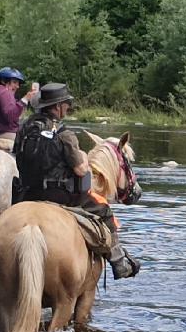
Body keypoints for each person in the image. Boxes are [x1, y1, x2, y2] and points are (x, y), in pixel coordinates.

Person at [13, 82, 141, 280]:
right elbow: (81, 171)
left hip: (26, 194)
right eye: (66, 104)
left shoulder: (24, 129)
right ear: (57, 107)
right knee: (104, 211)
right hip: (61, 196)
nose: (68, 108)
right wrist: (83, 160)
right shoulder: (65, 134)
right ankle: (120, 263)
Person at [0, 67, 35, 140]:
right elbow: (11, 116)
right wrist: (25, 99)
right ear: (3, 81)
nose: (17, 86)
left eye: (18, 83)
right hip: (5, 135)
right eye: (14, 82)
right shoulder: (5, 92)